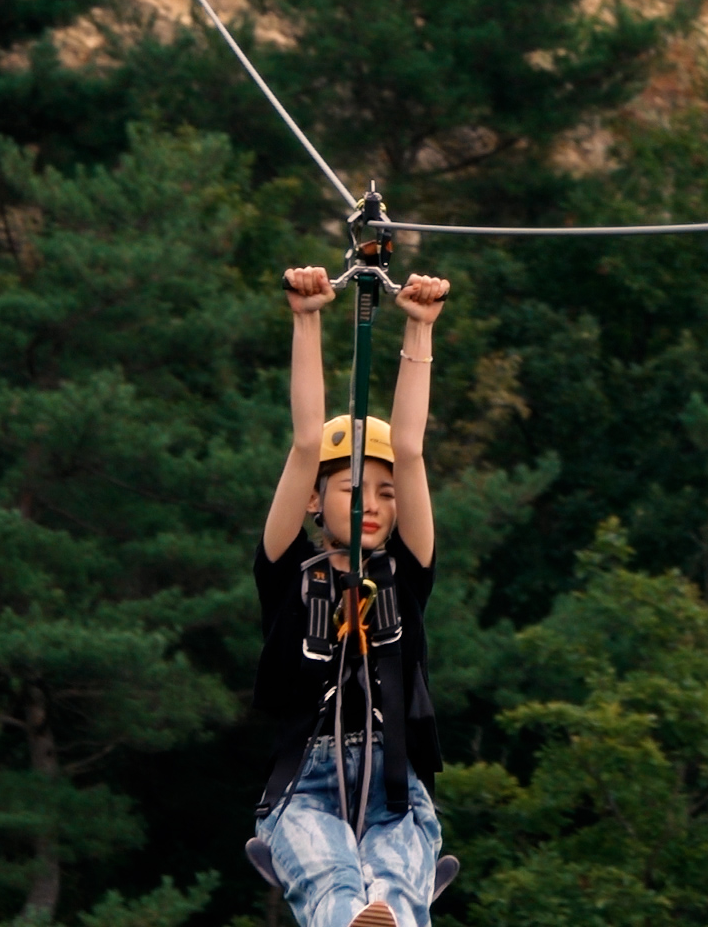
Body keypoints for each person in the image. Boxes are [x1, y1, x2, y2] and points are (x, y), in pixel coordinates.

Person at [250, 264, 452, 927]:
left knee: (392, 886)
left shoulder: (406, 572)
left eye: (386, 495)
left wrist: (418, 331)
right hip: (305, 789)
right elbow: (309, 442)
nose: (373, 503)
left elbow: (414, 452)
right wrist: (307, 319)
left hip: (396, 788)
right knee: (333, 878)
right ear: (315, 499)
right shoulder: (290, 572)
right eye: (355, 489)